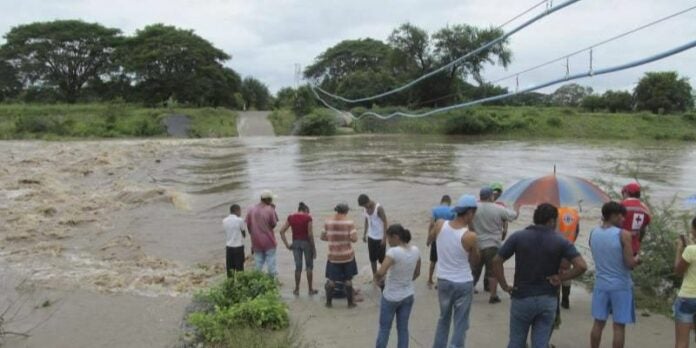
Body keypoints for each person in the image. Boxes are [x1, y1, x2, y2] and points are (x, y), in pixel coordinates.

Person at [493, 203, 587, 348]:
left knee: (516, 342)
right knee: (541, 344)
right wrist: (561, 278)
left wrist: (504, 285)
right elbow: (581, 266)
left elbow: (497, 261)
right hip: (547, 299)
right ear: (551, 221)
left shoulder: (518, 237)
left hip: (521, 297)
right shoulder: (561, 241)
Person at [427, 195, 480, 348]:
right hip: (463, 282)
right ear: (469, 213)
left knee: (443, 318)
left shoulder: (440, 224)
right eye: (473, 214)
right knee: (461, 322)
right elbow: (475, 262)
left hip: (443, 280)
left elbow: (430, 239)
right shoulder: (469, 236)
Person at [589, 201, 640, 348]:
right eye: (621, 216)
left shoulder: (594, 232)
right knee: (618, 326)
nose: (623, 219)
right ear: (613, 216)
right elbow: (629, 263)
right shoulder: (623, 234)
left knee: (598, 323)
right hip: (620, 286)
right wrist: (638, 259)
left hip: (601, 284)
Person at [374, 224, 421, 348]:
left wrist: (376, 279)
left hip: (391, 296)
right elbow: (417, 273)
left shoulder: (393, 252)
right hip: (408, 295)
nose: (388, 242)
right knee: (403, 328)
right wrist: (406, 280)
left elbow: (381, 272)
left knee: (384, 329)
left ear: (395, 237)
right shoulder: (416, 250)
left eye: (389, 238)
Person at [472, 187, 518, 304]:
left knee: (474, 270)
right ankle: (493, 296)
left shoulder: (474, 208)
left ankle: (469, 292)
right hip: (493, 244)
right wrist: (517, 208)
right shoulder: (498, 208)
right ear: (490, 196)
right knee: (493, 272)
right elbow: (513, 216)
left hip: (477, 244)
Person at [321, 203, 359, 308]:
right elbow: (354, 239)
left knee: (331, 281)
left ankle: (328, 303)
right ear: (346, 211)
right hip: (347, 256)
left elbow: (322, 237)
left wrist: (333, 238)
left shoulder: (327, 221)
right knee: (348, 280)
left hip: (333, 256)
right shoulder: (349, 222)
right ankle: (350, 304)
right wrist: (345, 238)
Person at [279, 202, 317, 296]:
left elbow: (281, 231)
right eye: (308, 212)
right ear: (305, 210)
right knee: (309, 267)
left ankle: (296, 289)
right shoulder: (308, 218)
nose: (308, 214)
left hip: (295, 243)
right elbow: (310, 234)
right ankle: (310, 290)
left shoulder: (291, 217)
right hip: (306, 243)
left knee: (298, 267)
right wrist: (314, 248)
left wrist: (287, 245)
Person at [673, 217, 696, 348]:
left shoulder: (691, 250)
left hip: (687, 297)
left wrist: (679, 249)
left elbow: (678, 270)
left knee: (682, 342)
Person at [246, 190, 279, 277]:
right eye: (271, 199)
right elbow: (273, 224)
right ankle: (272, 284)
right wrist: (273, 210)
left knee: (258, 264)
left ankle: (257, 282)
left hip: (256, 242)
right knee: (271, 264)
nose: (272, 201)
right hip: (269, 241)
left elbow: (249, 226)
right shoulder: (270, 209)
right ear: (268, 200)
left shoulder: (251, 209)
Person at [427, 195, 455, 289]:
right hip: (448, 239)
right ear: (449, 202)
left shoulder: (435, 210)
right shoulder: (453, 210)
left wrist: (429, 238)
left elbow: (431, 224)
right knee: (446, 260)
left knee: (433, 260)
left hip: (436, 238)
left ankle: (430, 279)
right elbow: (455, 224)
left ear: (441, 201)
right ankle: (444, 280)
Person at [358, 194, 388, 278]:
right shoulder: (364, 209)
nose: (364, 207)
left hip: (380, 238)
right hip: (371, 237)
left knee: (382, 260)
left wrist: (384, 238)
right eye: (363, 206)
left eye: (365, 205)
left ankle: (383, 276)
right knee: (372, 259)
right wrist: (364, 234)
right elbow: (366, 221)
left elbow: (385, 222)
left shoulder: (379, 208)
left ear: (368, 201)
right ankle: (375, 275)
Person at [557, 206, 580, 309]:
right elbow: (577, 230)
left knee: (555, 271)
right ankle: (565, 299)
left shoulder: (557, 212)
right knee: (566, 270)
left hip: (556, 245)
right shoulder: (575, 213)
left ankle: (556, 298)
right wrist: (572, 241)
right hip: (569, 245)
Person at [620, 182, 651, 255]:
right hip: (634, 248)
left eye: (623, 193)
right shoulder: (645, 209)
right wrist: (639, 243)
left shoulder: (620, 205)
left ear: (626, 192)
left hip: (620, 245)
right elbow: (643, 229)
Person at [223, 204, 247, 276]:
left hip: (229, 247)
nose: (240, 213)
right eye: (240, 211)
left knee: (230, 269)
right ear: (236, 210)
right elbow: (244, 234)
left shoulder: (224, 220)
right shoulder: (240, 220)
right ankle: (240, 285)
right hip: (238, 247)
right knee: (240, 268)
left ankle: (230, 284)